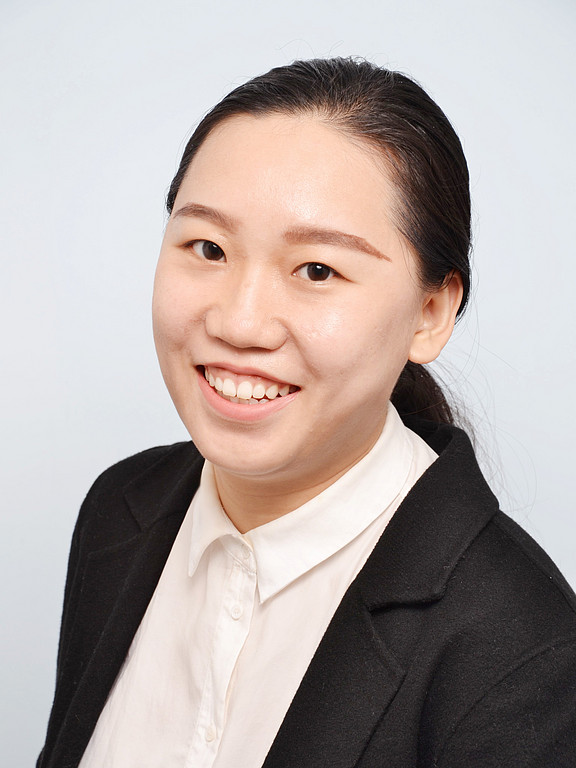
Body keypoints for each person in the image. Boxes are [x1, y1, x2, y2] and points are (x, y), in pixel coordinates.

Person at [37, 58, 576, 768]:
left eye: (317, 269)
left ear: (430, 312)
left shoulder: (524, 652)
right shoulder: (119, 511)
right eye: (208, 248)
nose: (239, 322)